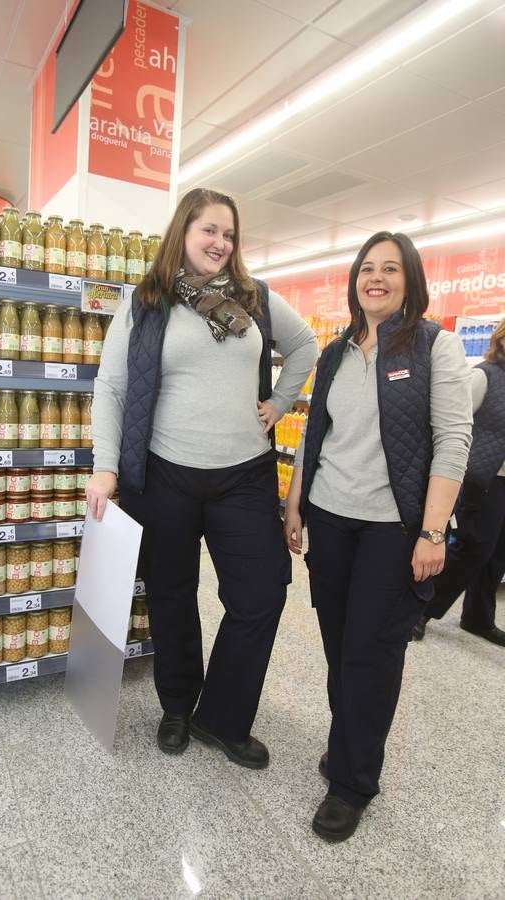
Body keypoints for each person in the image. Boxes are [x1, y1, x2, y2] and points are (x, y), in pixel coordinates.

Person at [86, 188, 318, 768]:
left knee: (263, 592)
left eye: (230, 234)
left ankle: (223, 716)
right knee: (171, 594)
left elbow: (307, 345)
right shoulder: (147, 302)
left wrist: (280, 402)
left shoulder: (255, 298)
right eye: (209, 230)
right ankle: (176, 706)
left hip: (243, 475)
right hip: (165, 473)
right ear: (183, 233)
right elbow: (112, 388)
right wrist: (106, 466)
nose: (220, 243)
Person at [284, 231, 472, 842]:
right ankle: (349, 744)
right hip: (332, 519)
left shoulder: (433, 346)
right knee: (340, 646)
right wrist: (295, 504)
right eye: (368, 268)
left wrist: (433, 531)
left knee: (373, 652)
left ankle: (353, 781)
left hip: (395, 529)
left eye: (391, 269)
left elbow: (453, 441)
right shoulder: (337, 351)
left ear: (411, 280)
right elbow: (316, 436)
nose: (377, 278)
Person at [414, 317, 505, 645]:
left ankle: (478, 618)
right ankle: (422, 609)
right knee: (472, 548)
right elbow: (450, 424)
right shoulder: (484, 377)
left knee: (497, 554)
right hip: (483, 479)